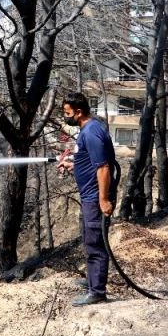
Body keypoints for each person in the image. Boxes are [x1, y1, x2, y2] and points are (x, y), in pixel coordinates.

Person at [57, 92, 117, 306]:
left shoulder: (91, 132)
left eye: (67, 113)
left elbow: (103, 168)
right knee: (89, 238)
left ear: (79, 112)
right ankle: (93, 281)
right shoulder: (87, 130)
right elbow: (91, 163)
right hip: (89, 195)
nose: (65, 117)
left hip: (95, 197)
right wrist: (73, 165)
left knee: (95, 243)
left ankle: (97, 292)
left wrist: (103, 200)